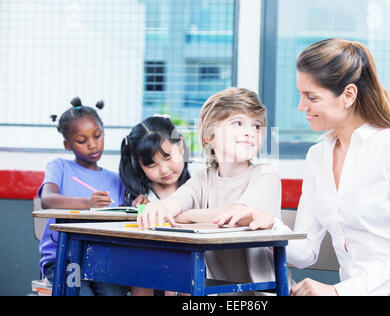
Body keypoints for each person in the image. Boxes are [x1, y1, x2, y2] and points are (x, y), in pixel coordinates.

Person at [216, 39, 390, 296]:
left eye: (311, 97)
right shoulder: (318, 156)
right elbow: (305, 252)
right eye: (301, 95)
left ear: (348, 95)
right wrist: (267, 225)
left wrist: (339, 291)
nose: (301, 106)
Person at [137, 87, 283, 294]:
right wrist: (163, 206)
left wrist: (186, 215)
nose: (250, 131)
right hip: (219, 293)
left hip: (264, 293)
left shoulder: (265, 175)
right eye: (238, 123)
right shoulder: (203, 177)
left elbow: (239, 216)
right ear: (209, 135)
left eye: (257, 126)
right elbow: (175, 202)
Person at [39, 97, 129, 296]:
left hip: (103, 258)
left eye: (98, 136)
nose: (93, 145)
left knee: (114, 293)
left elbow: (124, 215)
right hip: (63, 259)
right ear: (67, 144)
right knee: (80, 293)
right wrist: (88, 203)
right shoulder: (59, 166)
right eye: (82, 140)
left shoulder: (117, 180)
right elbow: (48, 199)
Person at [119, 115, 191, 296]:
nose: (164, 170)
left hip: (196, 261)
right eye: (151, 164)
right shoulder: (142, 197)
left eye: (168, 157)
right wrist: (139, 211)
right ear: (139, 165)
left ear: (180, 146)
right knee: (141, 269)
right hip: (153, 265)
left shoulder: (198, 180)